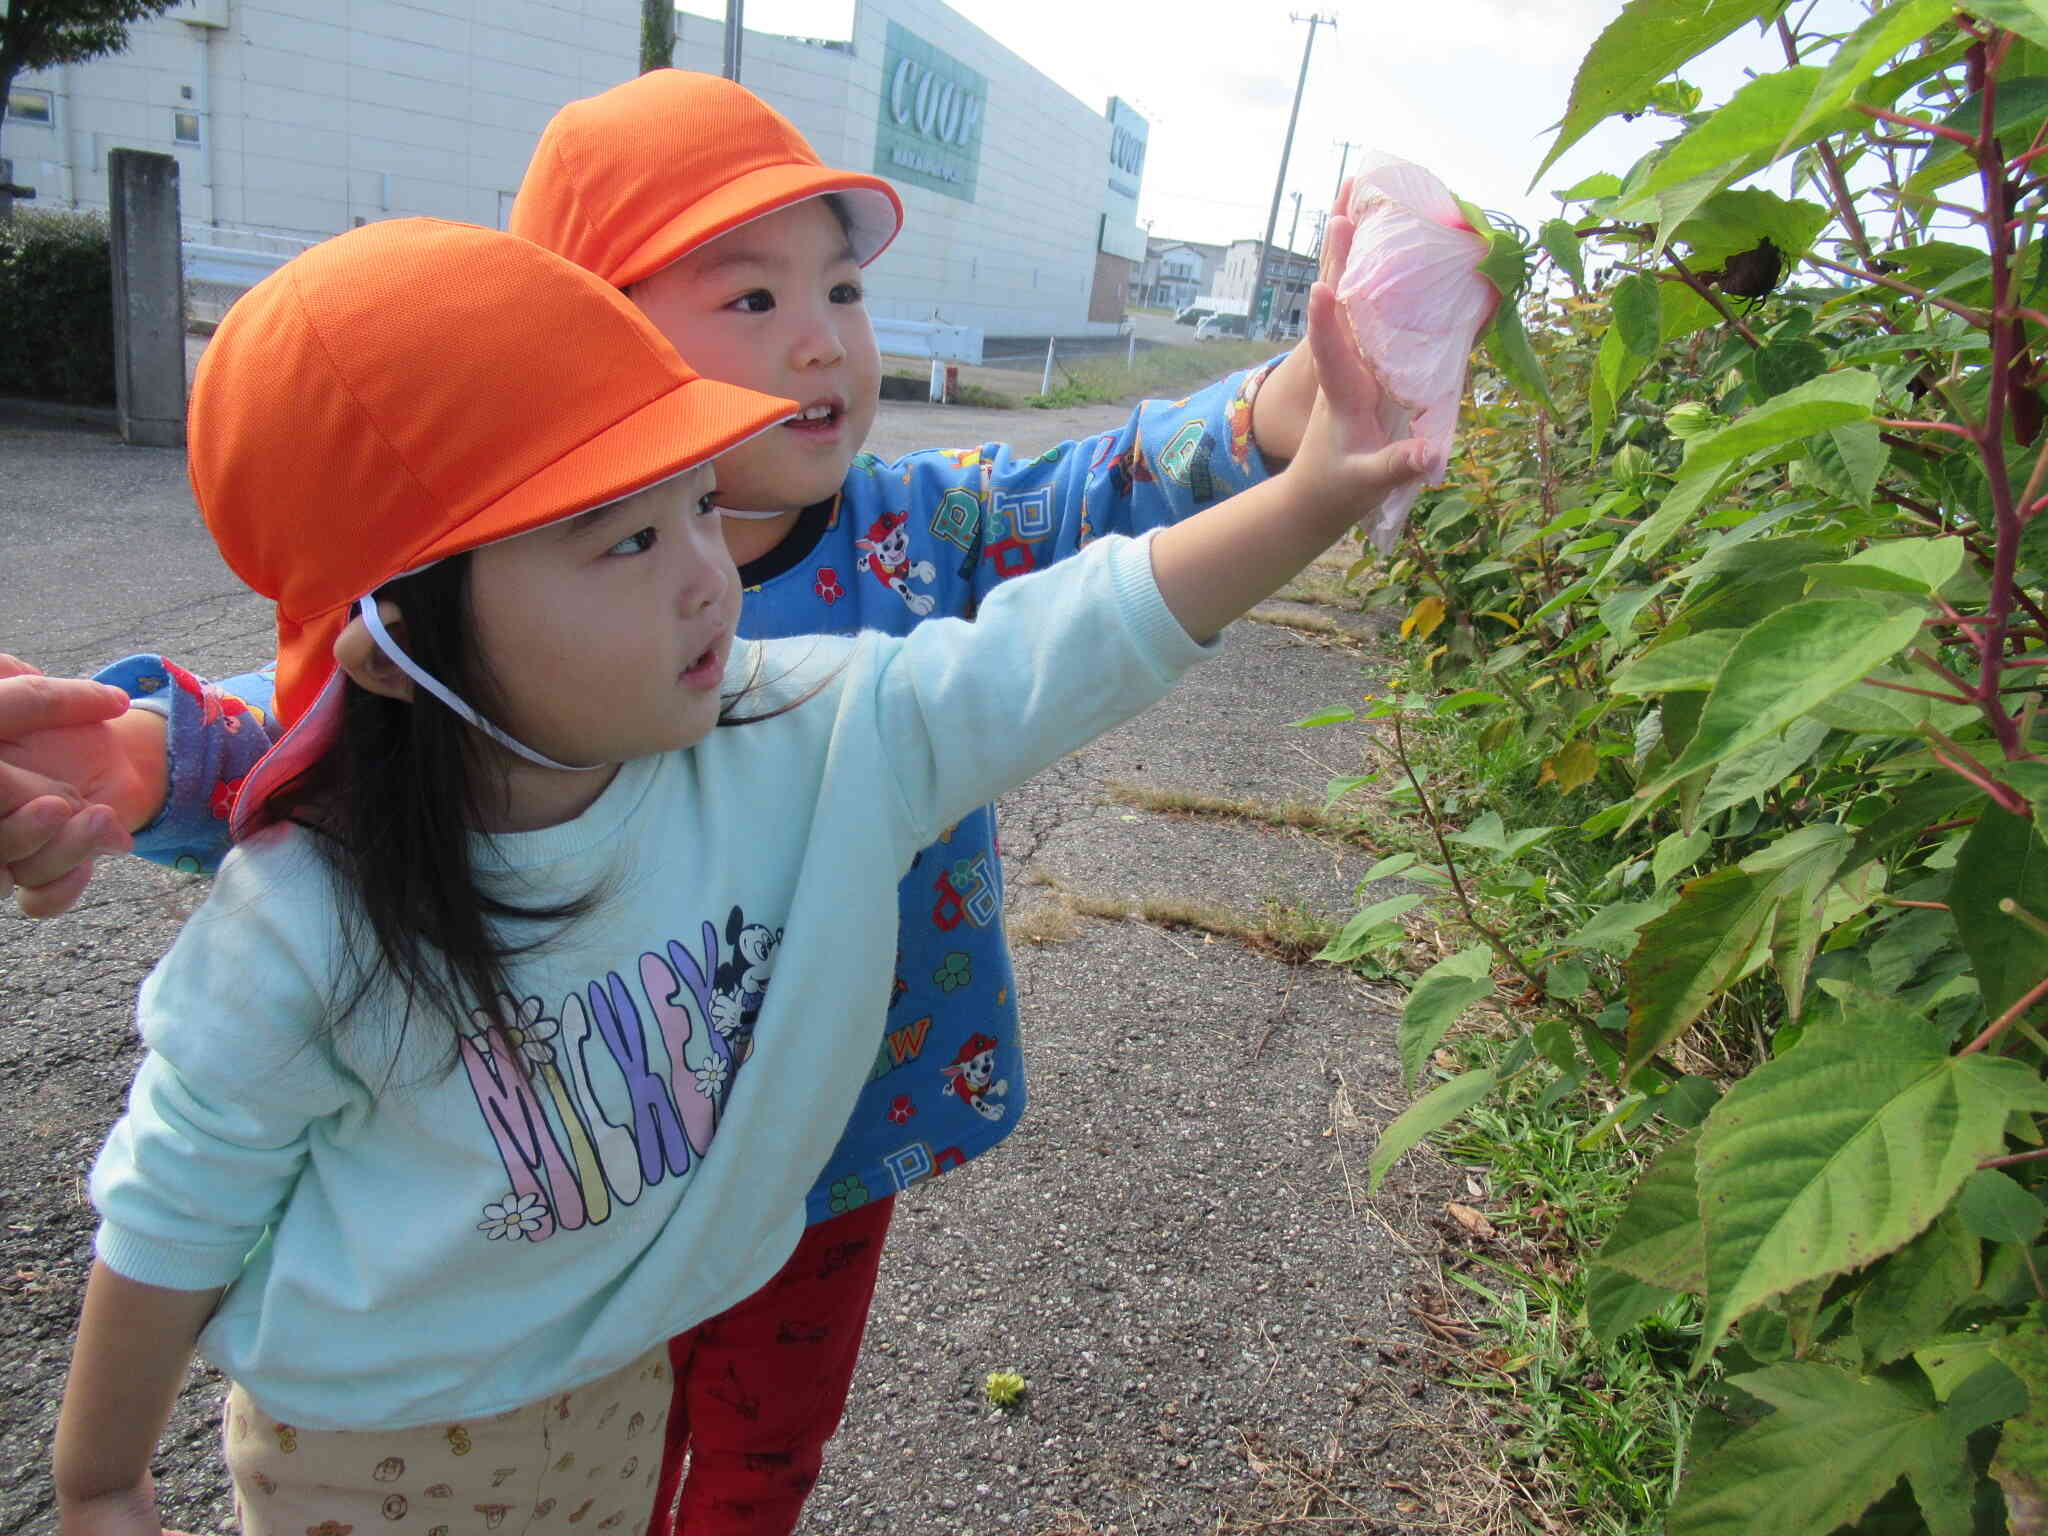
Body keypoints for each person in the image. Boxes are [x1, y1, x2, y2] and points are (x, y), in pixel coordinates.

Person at [6, 69, 1342, 1534]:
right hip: (538, 1273)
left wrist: (1293, 426)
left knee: (763, 1447)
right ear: (571, 325)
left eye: (839, 285)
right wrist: (144, 756)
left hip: (830, 1128)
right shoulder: (436, 704)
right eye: (749, 299)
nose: (824, 336)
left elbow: (1091, 533)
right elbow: (337, 731)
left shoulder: (907, 547)